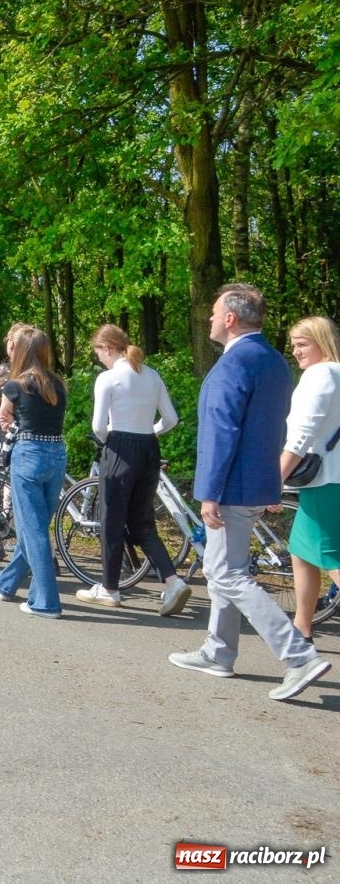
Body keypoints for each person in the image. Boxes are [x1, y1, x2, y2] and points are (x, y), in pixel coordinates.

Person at [169, 284, 330, 701]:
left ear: (230, 318)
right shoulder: (274, 361)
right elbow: (277, 426)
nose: (209, 318)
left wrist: (210, 492)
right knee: (223, 568)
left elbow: (221, 432)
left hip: (233, 486)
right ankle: (218, 652)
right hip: (257, 482)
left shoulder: (233, 363)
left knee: (228, 573)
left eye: (214, 312)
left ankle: (299, 656)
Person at [82, 324, 191, 614]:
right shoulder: (151, 375)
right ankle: (173, 582)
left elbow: (98, 426)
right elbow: (171, 419)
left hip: (120, 448)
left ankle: (109, 588)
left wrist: (112, 439)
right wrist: (150, 432)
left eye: (98, 352)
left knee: (111, 521)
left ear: (107, 348)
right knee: (142, 522)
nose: (98, 358)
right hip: (148, 450)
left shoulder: (108, 378)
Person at [0, 328, 68, 617]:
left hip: (28, 455)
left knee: (33, 531)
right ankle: (6, 582)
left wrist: (10, 423)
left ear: (21, 351)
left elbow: (1, 415)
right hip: (57, 454)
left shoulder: (15, 385)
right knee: (36, 526)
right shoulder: (58, 385)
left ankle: (45, 602)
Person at [280, 315, 340, 643]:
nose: (296, 351)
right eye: (293, 345)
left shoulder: (320, 375)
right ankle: (301, 628)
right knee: (301, 551)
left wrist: (277, 477)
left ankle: (301, 628)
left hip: (325, 479)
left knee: (331, 555)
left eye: (302, 344)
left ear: (322, 342)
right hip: (333, 478)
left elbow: (302, 435)